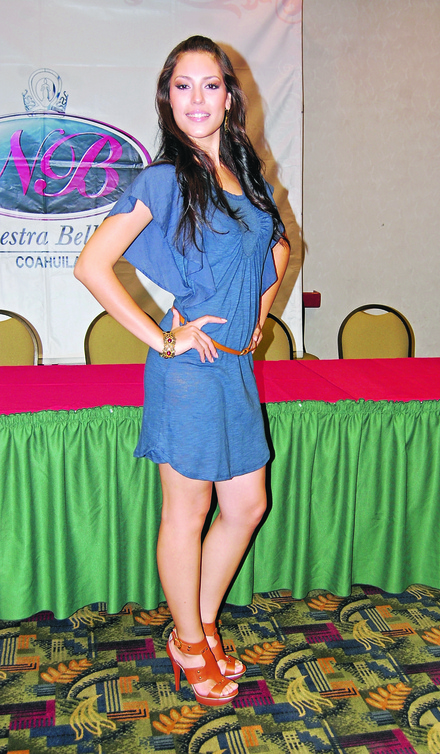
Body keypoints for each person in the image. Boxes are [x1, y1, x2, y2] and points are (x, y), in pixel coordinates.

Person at [74, 35, 289, 706]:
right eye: (182, 86)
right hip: (189, 370)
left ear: (230, 97)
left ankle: (198, 622)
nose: (197, 99)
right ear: (167, 99)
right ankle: (190, 641)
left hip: (235, 366)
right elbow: (91, 265)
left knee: (247, 505)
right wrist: (162, 340)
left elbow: (278, 248)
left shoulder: (246, 175)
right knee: (188, 512)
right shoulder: (164, 180)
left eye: (210, 85)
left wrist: (260, 309)